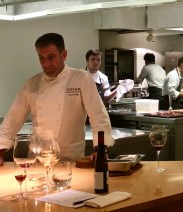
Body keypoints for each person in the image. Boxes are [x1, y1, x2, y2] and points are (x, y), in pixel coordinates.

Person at [0, 33, 114, 165]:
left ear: (64, 54)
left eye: (51, 57)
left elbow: (98, 116)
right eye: (41, 58)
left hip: (70, 162)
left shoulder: (81, 78)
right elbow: (13, 119)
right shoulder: (32, 83)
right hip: (37, 163)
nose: (46, 64)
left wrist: (100, 149)